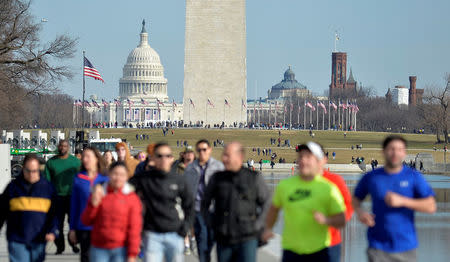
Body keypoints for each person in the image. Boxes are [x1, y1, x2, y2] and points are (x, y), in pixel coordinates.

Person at [353, 135, 436, 262]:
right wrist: (360, 213)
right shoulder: (372, 177)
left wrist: (403, 201)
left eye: (399, 149)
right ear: (383, 151)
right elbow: (355, 199)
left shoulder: (413, 177)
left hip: (406, 247)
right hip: (377, 247)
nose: (395, 153)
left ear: (404, 152)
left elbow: (431, 206)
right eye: (391, 149)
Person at [262, 142, 346, 262]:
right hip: (291, 250)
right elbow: (274, 209)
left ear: (318, 161)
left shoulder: (328, 188)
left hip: (319, 250)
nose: (303, 161)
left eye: (308, 157)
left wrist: (327, 220)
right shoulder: (285, 185)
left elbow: (341, 220)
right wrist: (268, 228)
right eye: (301, 156)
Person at [201, 142, 270, 262]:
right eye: (224, 155)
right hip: (224, 238)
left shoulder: (254, 178)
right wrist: (212, 223)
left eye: (227, 155)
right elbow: (204, 204)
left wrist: (258, 226)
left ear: (240, 157)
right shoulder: (217, 178)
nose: (223, 158)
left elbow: (267, 203)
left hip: (247, 238)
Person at [129, 143, 194, 262]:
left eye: (167, 156)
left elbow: (190, 205)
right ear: (153, 158)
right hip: (152, 234)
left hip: (175, 233)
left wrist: (184, 228)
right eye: (160, 156)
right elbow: (122, 188)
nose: (164, 159)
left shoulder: (179, 179)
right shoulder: (144, 179)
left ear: (172, 158)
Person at [0, 154, 58, 262]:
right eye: (28, 171)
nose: (31, 174)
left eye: (34, 171)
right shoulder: (13, 188)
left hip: (39, 238)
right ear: (23, 169)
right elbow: (2, 211)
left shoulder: (48, 188)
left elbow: (54, 213)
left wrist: (53, 231)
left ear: (39, 169)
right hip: (17, 239)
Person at [81, 162, 142, 262]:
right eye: (115, 174)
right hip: (99, 248)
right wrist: (94, 205)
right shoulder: (99, 192)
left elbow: (134, 228)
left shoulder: (132, 198)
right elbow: (86, 221)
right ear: (109, 174)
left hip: (121, 249)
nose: (118, 178)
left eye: (122, 175)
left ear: (127, 177)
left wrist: (132, 253)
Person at [184, 139, 224, 262]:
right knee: (202, 239)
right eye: (199, 150)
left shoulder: (218, 167)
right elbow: (186, 190)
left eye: (204, 149)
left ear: (210, 150)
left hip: (214, 210)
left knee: (211, 239)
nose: (202, 152)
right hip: (197, 209)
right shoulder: (190, 168)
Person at [69, 147, 109, 262]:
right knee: (86, 257)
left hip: (102, 227)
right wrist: (72, 229)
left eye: (88, 156)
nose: (85, 159)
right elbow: (74, 206)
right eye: (83, 157)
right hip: (84, 227)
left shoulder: (105, 179)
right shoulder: (78, 178)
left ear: (96, 159)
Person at [44, 140, 81, 255]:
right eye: (61, 146)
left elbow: (81, 178)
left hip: (72, 197)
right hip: (57, 198)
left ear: (68, 147)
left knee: (73, 223)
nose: (63, 148)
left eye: (65, 146)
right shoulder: (51, 162)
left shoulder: (75, 162)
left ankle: (73, 243)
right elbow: (46, 181)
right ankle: (60, 247)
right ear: (58, 147)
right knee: (57, 224)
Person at [318, 145, 354, 262]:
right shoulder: (291, 184)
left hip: (329, 242)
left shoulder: (334, 180)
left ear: (324, 159)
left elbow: (348, 205)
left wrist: (336, 221)